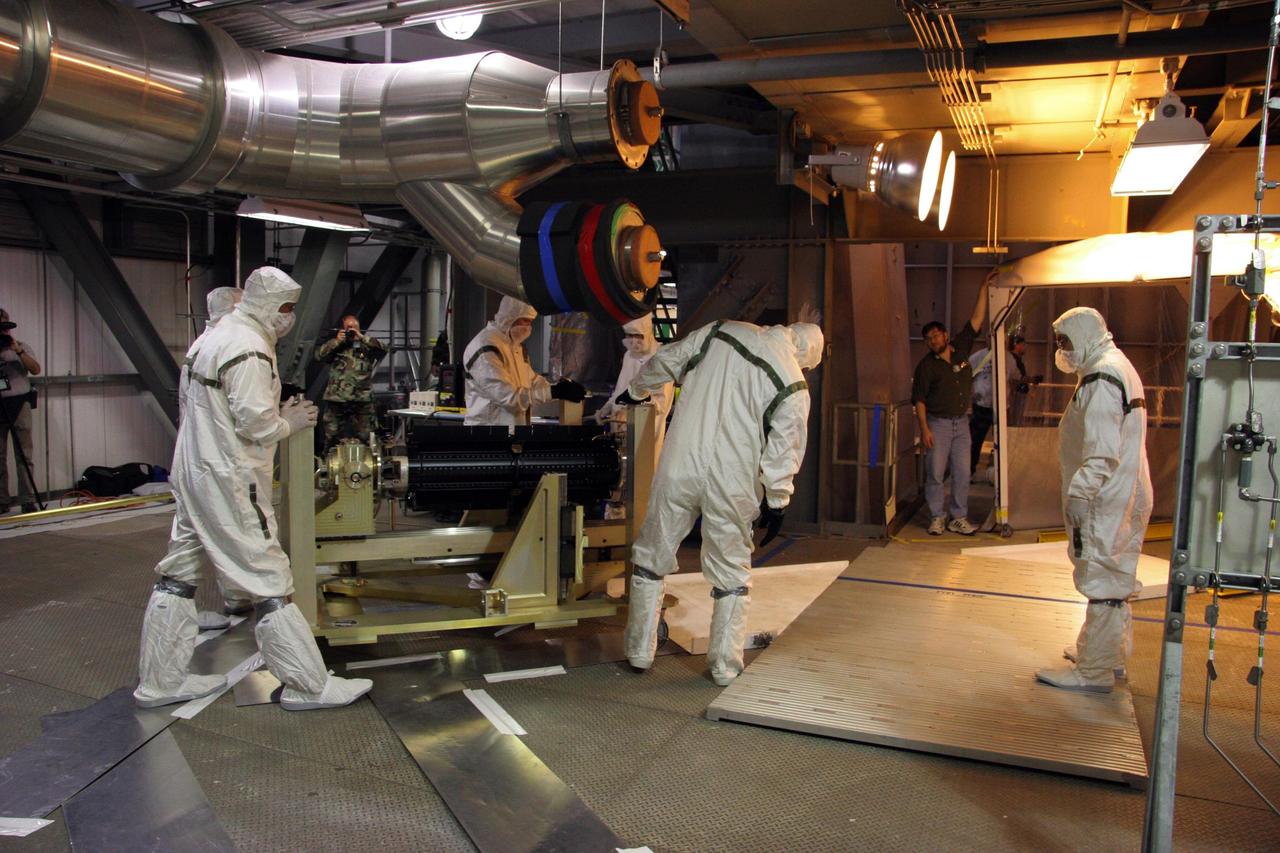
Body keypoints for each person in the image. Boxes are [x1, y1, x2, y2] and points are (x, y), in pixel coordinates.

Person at [134, 266, 372, 711]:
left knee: (178, 576)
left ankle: (160, 682)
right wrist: (290, 421)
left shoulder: (213, 336)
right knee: (269, 581)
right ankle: (308, 685)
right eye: (287, 309)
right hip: (229, 478)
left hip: (194, 469)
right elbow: (255, 423)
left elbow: (208, 406)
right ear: (271, 307)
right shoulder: (249, 347)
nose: (289, 318)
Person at [617, 317, 824, 686]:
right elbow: (785, 445)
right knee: (731, 573)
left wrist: (636, 388)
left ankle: (639, 652)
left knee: (652, 556)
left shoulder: (721, 330)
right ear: (806, 354)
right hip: (733, 480)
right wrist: (778, 499)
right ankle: (725, 667)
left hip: (681, 462)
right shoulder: (793, 380)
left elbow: (667, 359)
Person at [1036, 307, 1151, 694]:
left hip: (1104, 496)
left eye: (1066, 342)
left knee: (1100, 576)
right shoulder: (1113, 364)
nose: (1062, 350)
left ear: (1085, 335)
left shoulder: (1101, 378)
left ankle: (1094, 672)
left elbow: (1102, 451)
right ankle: (1105, 653)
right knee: (1114, 574)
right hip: (1124, 489)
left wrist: (1081, 493)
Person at [178, 287, 257, 631]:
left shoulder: (201, 346)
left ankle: (235, 600)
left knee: (200, 539)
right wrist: (285, 422)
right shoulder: (229, 346)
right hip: (218, 461)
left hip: (197, 460)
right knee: (235, 533)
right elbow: (250, 418)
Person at [912, 280, 989, 535]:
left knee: (962, 471)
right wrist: (924, 429)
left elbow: (976, 320)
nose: (932, 341)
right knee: (935, 472)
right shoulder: (926, 367)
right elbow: (920, 399)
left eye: (935, 336)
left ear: (945, 334)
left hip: (961, 423)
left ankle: (958, 516)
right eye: (928, 339)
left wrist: (983, 289)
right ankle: (937, 516)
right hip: (938, 424)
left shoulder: (961, 349)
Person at [462, 296, 584, 426]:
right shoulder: (486, 348)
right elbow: (510, 399)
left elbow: (530, 381)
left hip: (511, 433)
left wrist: (558, 387)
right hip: (488, 436)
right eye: (525, 321)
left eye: (531, 322)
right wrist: (553, 392)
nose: (528, 327)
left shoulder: (513, 346)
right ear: (510, 316)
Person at [594, 314, 674, 450]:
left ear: (647, 332)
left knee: (643, 467)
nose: (633, 341)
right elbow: (620, 391)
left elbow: (661, 403)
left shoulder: (661, 358)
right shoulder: (629, 356)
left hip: (645, 432)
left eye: (638, 335)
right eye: (629, 335)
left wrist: (629, 411)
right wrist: (607, 407)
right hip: (620, 429)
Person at [967, 333, 1040, 475]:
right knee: (975, 441)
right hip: (982, 406)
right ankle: (970, 471)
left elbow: (1016, 377)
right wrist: (971, 393)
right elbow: (965, 376)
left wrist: (1031, 379)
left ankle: (999, 473)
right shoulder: (977, 357)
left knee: (1001, 442)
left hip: (1001, 408)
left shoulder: (1008, 358)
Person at [314, 314, 387, 449]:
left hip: (362, 399)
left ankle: (368, 465)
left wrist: (361, 337)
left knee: (367, 436)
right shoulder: (336, 347)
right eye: (348, 328)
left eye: (354, 328)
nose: (351, 330)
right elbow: (319, 355)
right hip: (337, 398)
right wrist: (336, 341)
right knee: (331, 436)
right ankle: (331, 464)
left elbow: (384, 349)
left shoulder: (367, 346)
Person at [0, 309, 41, 514]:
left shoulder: (21, 346)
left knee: (24, 455)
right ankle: (2, 500)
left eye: (4, 327)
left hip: (20, 404)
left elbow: (35, 369)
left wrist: (17, 351)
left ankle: (27, 499)